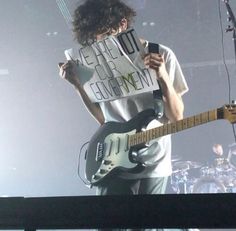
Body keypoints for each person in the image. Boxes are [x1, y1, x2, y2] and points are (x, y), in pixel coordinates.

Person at [59, 0, 189, 229]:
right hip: (112, 163)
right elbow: (104, 120)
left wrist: (163, 77)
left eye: (106, 35)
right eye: (96, 38)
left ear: (122, 24)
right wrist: (77, 86)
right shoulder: (95, 64)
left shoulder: (161, 54)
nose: (101, 43)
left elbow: (177, 118)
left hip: (154, 164)